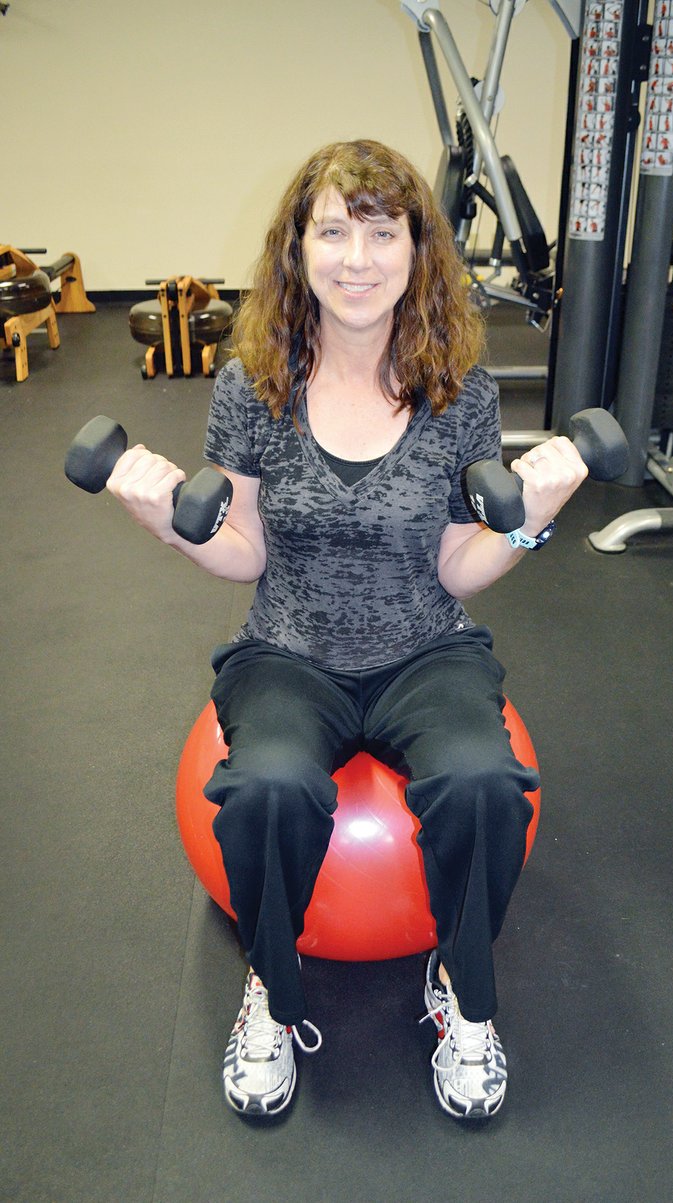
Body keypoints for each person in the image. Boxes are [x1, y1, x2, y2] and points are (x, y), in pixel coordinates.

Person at [106, 139, 587, 1121]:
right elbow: (239, 548)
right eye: (333, 232)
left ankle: (464, 997)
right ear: (298, 248)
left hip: (424, 646)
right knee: (267, 786)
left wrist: (537, 514)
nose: (356, 259)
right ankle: (271, 1001)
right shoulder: (255, 385)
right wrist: (150, 507)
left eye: (380, 233)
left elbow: (460, 565)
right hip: (289, 647)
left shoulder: (460, 392)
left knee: (485, 782)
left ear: (417, 251)